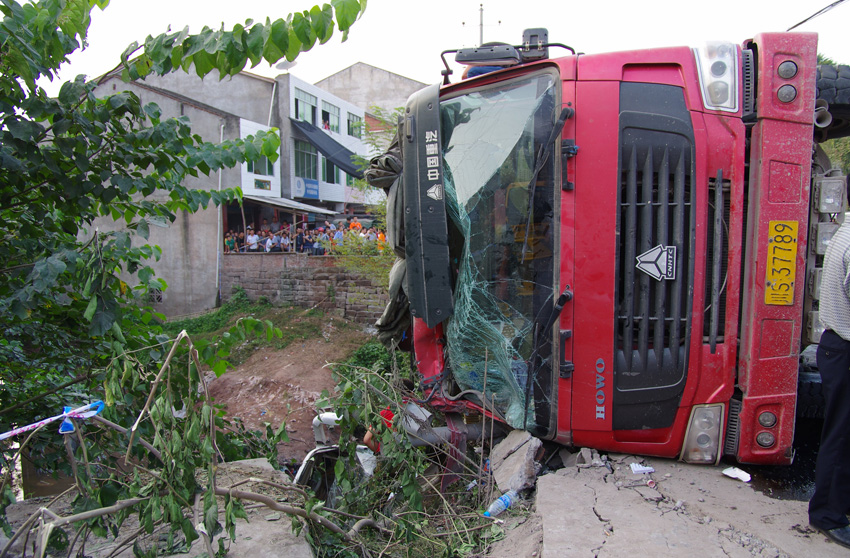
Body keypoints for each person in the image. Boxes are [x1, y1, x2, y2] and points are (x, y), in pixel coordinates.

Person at [809, 190, 850, 549]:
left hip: (837, 345)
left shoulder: (843, 233)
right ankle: (828, 515)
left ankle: (838, 506)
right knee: (841, 435)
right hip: (846, 348)